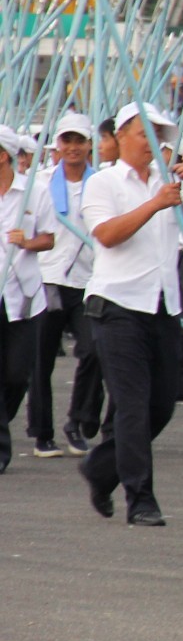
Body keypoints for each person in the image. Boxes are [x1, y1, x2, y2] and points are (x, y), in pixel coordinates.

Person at [79, 102, 183, 525]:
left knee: (161, 406)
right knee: (133, 404)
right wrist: (156, 204)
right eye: (145, 134)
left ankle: (102, 469)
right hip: (117, 304)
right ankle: (141, 498)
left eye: (159, 135)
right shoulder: (103, 182)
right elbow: (107, 235)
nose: (154, 143)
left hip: (162, 304)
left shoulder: (170, 179)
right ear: (121, 136)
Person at [31, 112, 97, 458]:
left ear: (89, 145)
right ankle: (42, 432)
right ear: (58, 145)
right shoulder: (40, 182)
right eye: (66, 141)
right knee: (41, 360)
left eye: (79, 141)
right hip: (48, 280)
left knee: (92, 350)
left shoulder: (100, 182)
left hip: (88, 282)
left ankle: (78, 420)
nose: (72, 147)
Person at [1, 127, 56, 473]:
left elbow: (49, 239)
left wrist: (28, 243)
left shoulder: (34, 192)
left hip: (23, 297)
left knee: (17, 375)